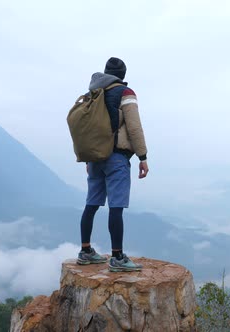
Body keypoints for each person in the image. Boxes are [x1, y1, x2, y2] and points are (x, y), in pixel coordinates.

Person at [77, 57, 149, 272]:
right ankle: (117, 256)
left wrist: (89, 156)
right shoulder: (125, 93)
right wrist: (142, 156)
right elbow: (134, 127)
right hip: (116, 157)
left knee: (91, 204)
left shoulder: (94, 93)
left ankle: (85, 251)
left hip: (95, 157)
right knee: (116, 207)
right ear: (123, 75)